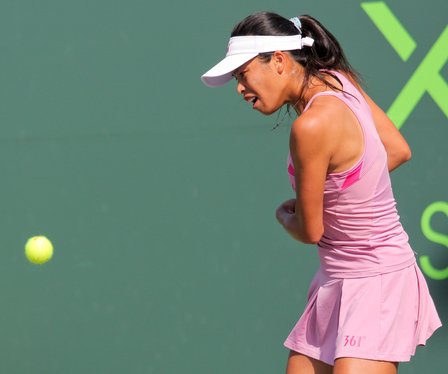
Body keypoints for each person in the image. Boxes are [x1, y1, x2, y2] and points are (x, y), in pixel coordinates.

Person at [200, 11, 442, 374]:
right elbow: (394, 150)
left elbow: (310, 230)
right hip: (337, 281)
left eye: (243, 74)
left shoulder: (311, 126)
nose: (239, 87)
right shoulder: (337, 81)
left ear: (279, 61)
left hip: (374, 282)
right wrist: (342, 189)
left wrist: (285, 216)